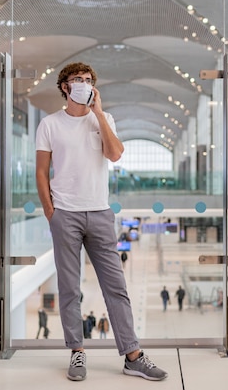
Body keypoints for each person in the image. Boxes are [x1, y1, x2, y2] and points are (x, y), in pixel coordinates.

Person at [35, 62, 167, 382]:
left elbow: (116, 154)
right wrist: (51, 212)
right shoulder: (50, 124)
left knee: (116, 287)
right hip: (64, 214)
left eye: (88, 80)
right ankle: (77, 351)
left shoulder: (103, 119)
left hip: (100, 213)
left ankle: (132, 355)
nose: (83, 83)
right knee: (69, 288)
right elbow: (41, 172)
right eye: (77, 80)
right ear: (64, 87)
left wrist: (98, 113)